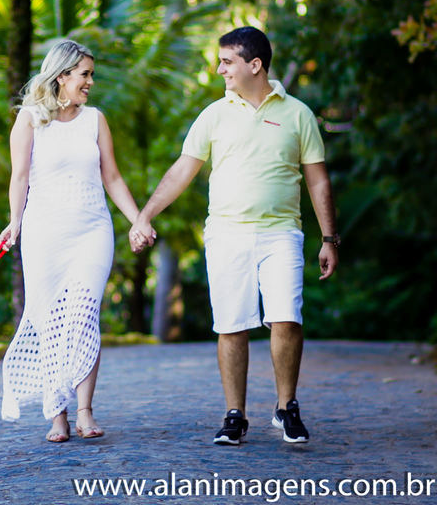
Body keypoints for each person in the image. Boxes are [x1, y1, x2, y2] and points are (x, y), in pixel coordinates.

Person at [130, 26, 339, 445]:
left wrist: (329, 238)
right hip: (226, 234)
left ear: (254, 65)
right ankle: (235, 415)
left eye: (227, 61)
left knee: (287, 317)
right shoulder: (213, 114)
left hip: (282, 233)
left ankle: (285, 408)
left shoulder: (298, 114)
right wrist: (144, 215)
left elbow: (318, 182)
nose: (219, 69)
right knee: (231, 325)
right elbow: (182, 172)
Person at [0, 39, 143, 442]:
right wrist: (15, 223)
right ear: (61, 76)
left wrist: (137, 220)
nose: (90, 82)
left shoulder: (95, 120)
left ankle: (84, 410)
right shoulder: (29, 119)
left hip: (92, 231)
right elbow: (20, 177)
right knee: (48, 323)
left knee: (83, 315)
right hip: (45, 233)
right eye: (84, 75)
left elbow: (112, 177)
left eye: (90, 75)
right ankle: (56, 414)